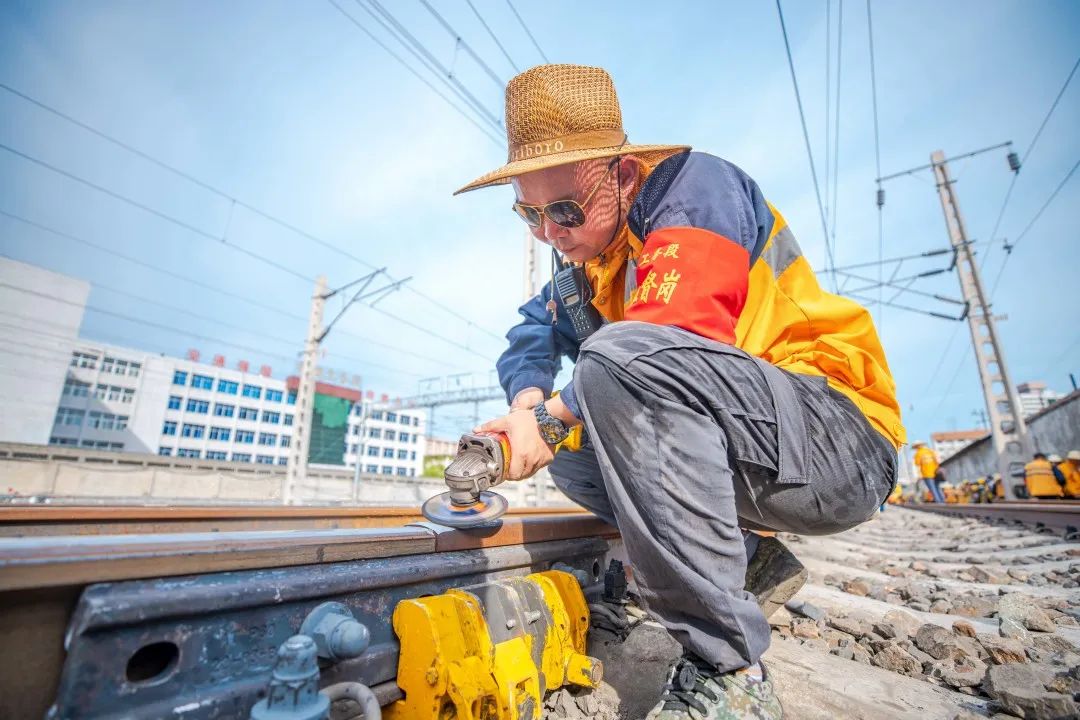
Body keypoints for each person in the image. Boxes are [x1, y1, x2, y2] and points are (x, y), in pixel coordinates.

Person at [458, 64, 902, 720]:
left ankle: (730, 676)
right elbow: (529, 335)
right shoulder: (585, 271)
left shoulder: (697, 191)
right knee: (580, 458)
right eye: (530, 214)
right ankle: (748, 569)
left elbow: (673, 327)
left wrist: (551, 422)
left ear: (626, 176)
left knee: (610, 366)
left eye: (564, 210)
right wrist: (527, 407)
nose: (550, 232)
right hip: (768, 450)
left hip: (838, 439)